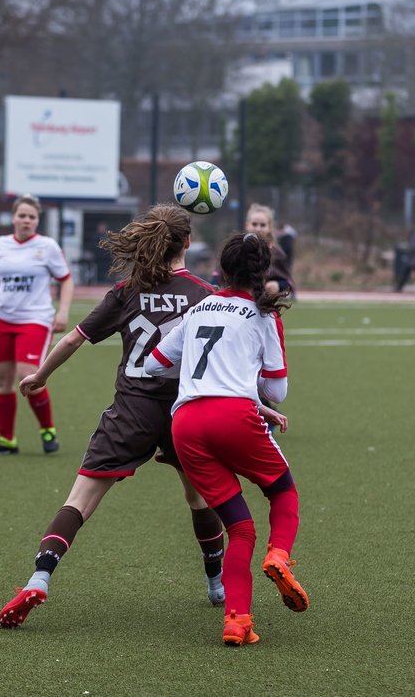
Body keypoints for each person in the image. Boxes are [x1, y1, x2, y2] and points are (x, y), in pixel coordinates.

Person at [0, 203, 225, 628]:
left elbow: (73, 340)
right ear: (188, 244)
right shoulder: (205, 296)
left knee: (80, 499)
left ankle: (39, 577)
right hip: (185, 414)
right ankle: (217, 585)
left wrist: (39, 375)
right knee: (198, 497)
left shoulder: (127, 291)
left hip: (131, 411)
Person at [145, 232, 307, 647]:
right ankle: (279, 556)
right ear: (262, 271)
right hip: (233, 417)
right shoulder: (264, 314)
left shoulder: (198, 309)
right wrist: (245, 384)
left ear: (223, 268)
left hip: (185, 424)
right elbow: (278, 390)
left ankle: (237, 622)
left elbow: (154, 363)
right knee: (283, 493)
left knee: (239, 527)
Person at [0, 194, 75, 456]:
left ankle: (47, 429)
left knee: (27, 376)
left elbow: (66, 280)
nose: (26, 220)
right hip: (3, 319)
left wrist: (62, 312)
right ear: (14, 217)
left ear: (37, 220)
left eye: (31, 217)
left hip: (35, 319)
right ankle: (6, 440)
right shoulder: (0, 245)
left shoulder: (47, 246)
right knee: (3, 380)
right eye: (22, 215)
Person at [244, 204, 294, 299]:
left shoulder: (277, 253)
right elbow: (219, 276)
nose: (258, 228)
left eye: (262, 225)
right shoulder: (236, 249)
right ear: (247, 225)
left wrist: (278, 285)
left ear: (269, 228)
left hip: (263, 303)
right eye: (254, 224)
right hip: (238, 303)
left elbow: (288, 282)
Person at [396, 228, 415, 293]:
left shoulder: (414, 238)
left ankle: (399, 287)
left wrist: (407, 250)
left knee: (406, 274)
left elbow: (413, 248)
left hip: (414, 260)